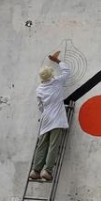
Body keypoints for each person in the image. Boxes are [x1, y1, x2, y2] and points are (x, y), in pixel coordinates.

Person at [30, 50, 71, 181]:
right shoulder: (57, 83)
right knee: (53, 145)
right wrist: (57, 60)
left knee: (42, 144)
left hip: (46, 118)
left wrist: (47, 111)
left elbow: (40, 106)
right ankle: (47, 171)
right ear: (51, 75)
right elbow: (67, 71)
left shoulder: (39, 89)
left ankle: (35, 171)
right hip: (57, 119)